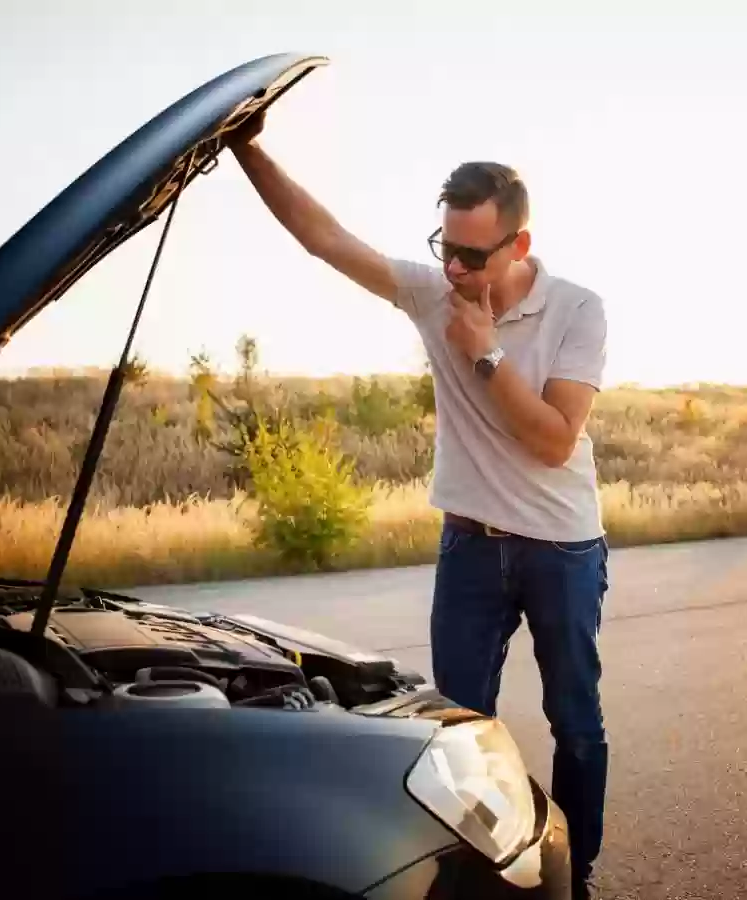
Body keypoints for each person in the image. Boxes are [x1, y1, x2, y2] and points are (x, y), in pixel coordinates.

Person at [228, 111, 610, 900]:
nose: (457, 271)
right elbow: (327, 240)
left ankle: (580, 879)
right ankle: (479, 884)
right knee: (458, 732)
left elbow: (553, 441)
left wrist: (485, 354)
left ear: (520, 247)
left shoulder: (578, 311)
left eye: (474, 255)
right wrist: (246, 147)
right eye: (447, 249)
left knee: (575, 720)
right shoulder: (432, 292)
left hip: (562, 549)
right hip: (469, 546)